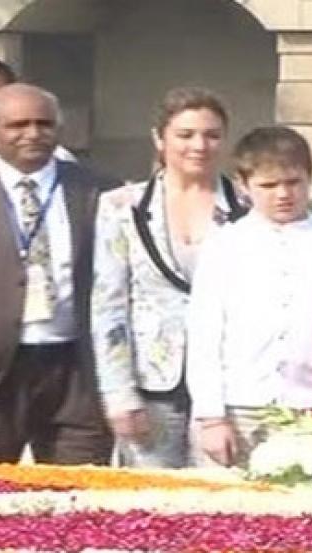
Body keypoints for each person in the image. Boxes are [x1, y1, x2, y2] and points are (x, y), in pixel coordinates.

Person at [0, 83, 119, 464]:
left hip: (76, 369)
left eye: (44, 123)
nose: (33, 134)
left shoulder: (99, 189)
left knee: (79, 502)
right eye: (17, 125)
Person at [186, 126, 312, 468]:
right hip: (241, 407)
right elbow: (205, 333)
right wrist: (211, 416)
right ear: (243, 185)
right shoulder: (225, 244)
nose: (283, 194)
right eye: (268, 186)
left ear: (309, 179)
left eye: (293, 182)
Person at [92, 87, 247, 468]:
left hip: (230, 384)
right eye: (186, 135)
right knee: (151, 508)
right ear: (159, 139)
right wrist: (119, 394)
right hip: (153, 384)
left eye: (212, 135)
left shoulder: (248, 207)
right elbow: (108, 304)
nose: (200, 145)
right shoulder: (120, 207)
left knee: (224, 503)